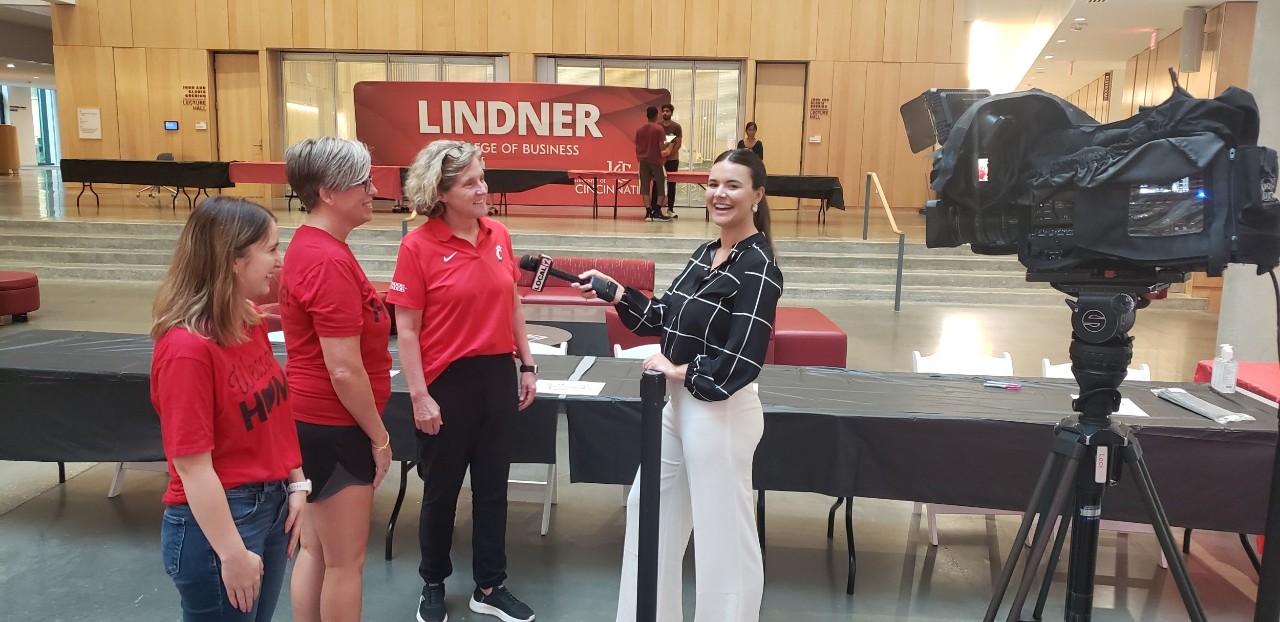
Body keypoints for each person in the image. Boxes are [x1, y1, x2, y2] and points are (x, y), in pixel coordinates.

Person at [577, 148, 783, 622]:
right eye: (713, 184)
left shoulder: (758, 267)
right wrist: (617, 291)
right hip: (677, 407)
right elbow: (663, 317)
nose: (719, 194)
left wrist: (681, 371)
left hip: (720, 413)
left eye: (733, 185)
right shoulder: (705, 255)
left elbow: (742, 360)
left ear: (757, 195)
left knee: (722, 539)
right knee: (648, 512)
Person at [387, 140, 539, 622]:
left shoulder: (499, 234)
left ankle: (490, 586)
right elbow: (406, 330)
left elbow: (512, 303)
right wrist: (419, 397)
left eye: (482, 178)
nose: (482, 189)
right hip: (445, 384)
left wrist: (527, 364)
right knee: (441, 492)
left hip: (496, 376)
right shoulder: (417, 246)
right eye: (470, 182)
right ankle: (433, 582)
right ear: (441, 192)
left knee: (493, 489)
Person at [151, 196, 307, 621]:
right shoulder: (186, 351)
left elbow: (272, 415)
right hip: (221, 523)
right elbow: (192, 467)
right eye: (271, 249)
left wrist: (296, 482)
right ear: (234, 260)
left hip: (269, 504)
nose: (279, 261)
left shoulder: (247, 320)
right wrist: (232, 553)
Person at [279, 137, 394, 622]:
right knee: (345, 563)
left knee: (317, 551)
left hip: (314, 421)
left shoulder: (316, 247)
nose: (373, 191)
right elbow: (343, 369)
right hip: (335, 425)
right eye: (363, 183)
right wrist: (379, 437)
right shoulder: (326, 260)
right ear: (328, 192)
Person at [635, 105, 670, 222]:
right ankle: (657, 211)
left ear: (647, 116)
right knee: (661, 185)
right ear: (656, 115)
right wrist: (668, 147)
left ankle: (648, 212)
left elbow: (637, 146)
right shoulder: (659, 129)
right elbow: (662, 147)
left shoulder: (640, 129)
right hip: (656, 161)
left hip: (643, 161)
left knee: (645, 187)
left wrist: (639, 159)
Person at [660, 103, 683, 219]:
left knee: (671, 185)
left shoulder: (676, 127)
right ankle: (656, 209)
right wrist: (662, 156)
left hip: (673, 160)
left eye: (667, 111)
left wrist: (668, 155)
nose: (665, 113)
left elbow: (678, 144)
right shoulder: (658, 126)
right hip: (659, 160)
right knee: (658, 184)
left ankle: (670, 209)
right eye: (664, 111)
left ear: (671, 113)